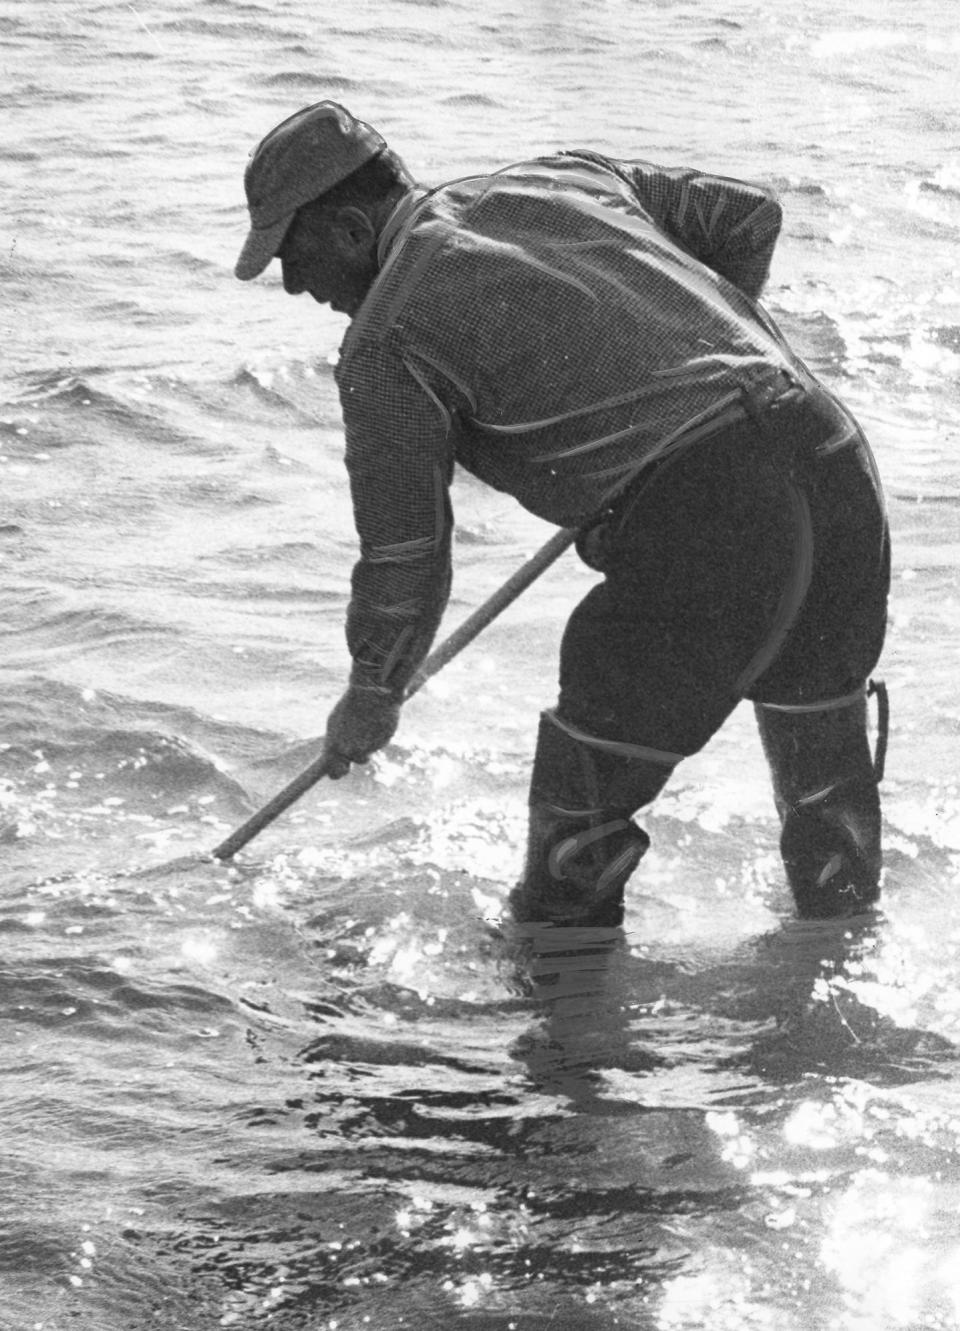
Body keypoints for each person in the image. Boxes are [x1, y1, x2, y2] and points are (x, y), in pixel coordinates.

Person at [234, 101, 890, 926]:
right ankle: (836, 1016)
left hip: (711, 518)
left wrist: (372, 690)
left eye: (294, 253)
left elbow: (406, 556)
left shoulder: (384, 341)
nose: (296, 283)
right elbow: (748, 216)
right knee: (827, 805)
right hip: (830, 455)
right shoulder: (570, 177)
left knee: (575, 844)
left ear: (354, 226)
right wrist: (706, 356)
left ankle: (561, 1047)